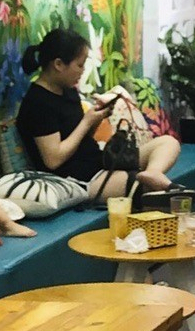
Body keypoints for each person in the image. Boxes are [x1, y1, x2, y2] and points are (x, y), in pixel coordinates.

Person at [16, 27, 181, 201]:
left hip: (97, 161)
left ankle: (153, 172)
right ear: (58, 64)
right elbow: (53, 160)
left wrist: (98, 117)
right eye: (79, 65)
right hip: (76, 179)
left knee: (168, 143)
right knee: (150, 189)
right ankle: (149, 180)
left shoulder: (67, 91)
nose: (82, 71)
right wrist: (86, 122)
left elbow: (80, 138)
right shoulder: (38, 103)